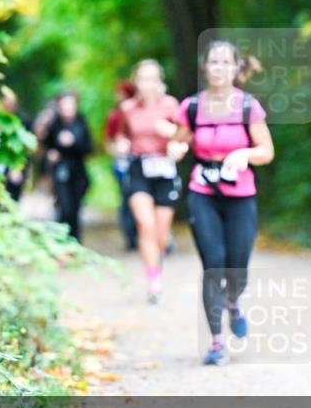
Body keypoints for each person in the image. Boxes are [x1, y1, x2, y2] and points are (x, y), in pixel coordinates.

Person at [172, 41, 274, 366]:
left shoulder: (248, 106)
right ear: (206, 68)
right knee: (213, 264)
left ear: (234, 68)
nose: (218, 68)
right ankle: (216, 341)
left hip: (240, 194)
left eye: (224, 62)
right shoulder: (191, 107)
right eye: (213, 62)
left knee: (238, 267)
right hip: (203, 191)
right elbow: (179, 141)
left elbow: (266, 151)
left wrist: (244, 153)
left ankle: (234, 301)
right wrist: (176, 149)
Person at [112, 60, 181, 302]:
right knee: (145, 224)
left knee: (160, 234)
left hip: (164, 169)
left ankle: (156, 269)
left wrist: (175, 140)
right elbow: (120, 134)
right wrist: (121, 144)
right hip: (139, 167)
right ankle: (153, 284)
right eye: (142, 78)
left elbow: (186, 135)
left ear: (159, 81)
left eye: (152, 78)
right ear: (136, 82)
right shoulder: (128, 108)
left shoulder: (171, 105)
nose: (147, 84)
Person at [43, 90, 93, 241]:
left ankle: (75, 242)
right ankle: (63, 241)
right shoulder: (53, 124)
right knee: (64, 207)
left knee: (75, 209)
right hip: (60, 172)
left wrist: (74, 142)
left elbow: (88, 148)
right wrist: (51, 154)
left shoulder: (81, 123)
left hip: (78, 173)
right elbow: (44, 145)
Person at [104, 81, 139, 251]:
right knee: (126, 199)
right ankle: (131, 236)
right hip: (122, 164)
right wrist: (118, 153)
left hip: (139, 162)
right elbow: (108, 141)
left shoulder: (137, 112)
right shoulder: (115, 115)